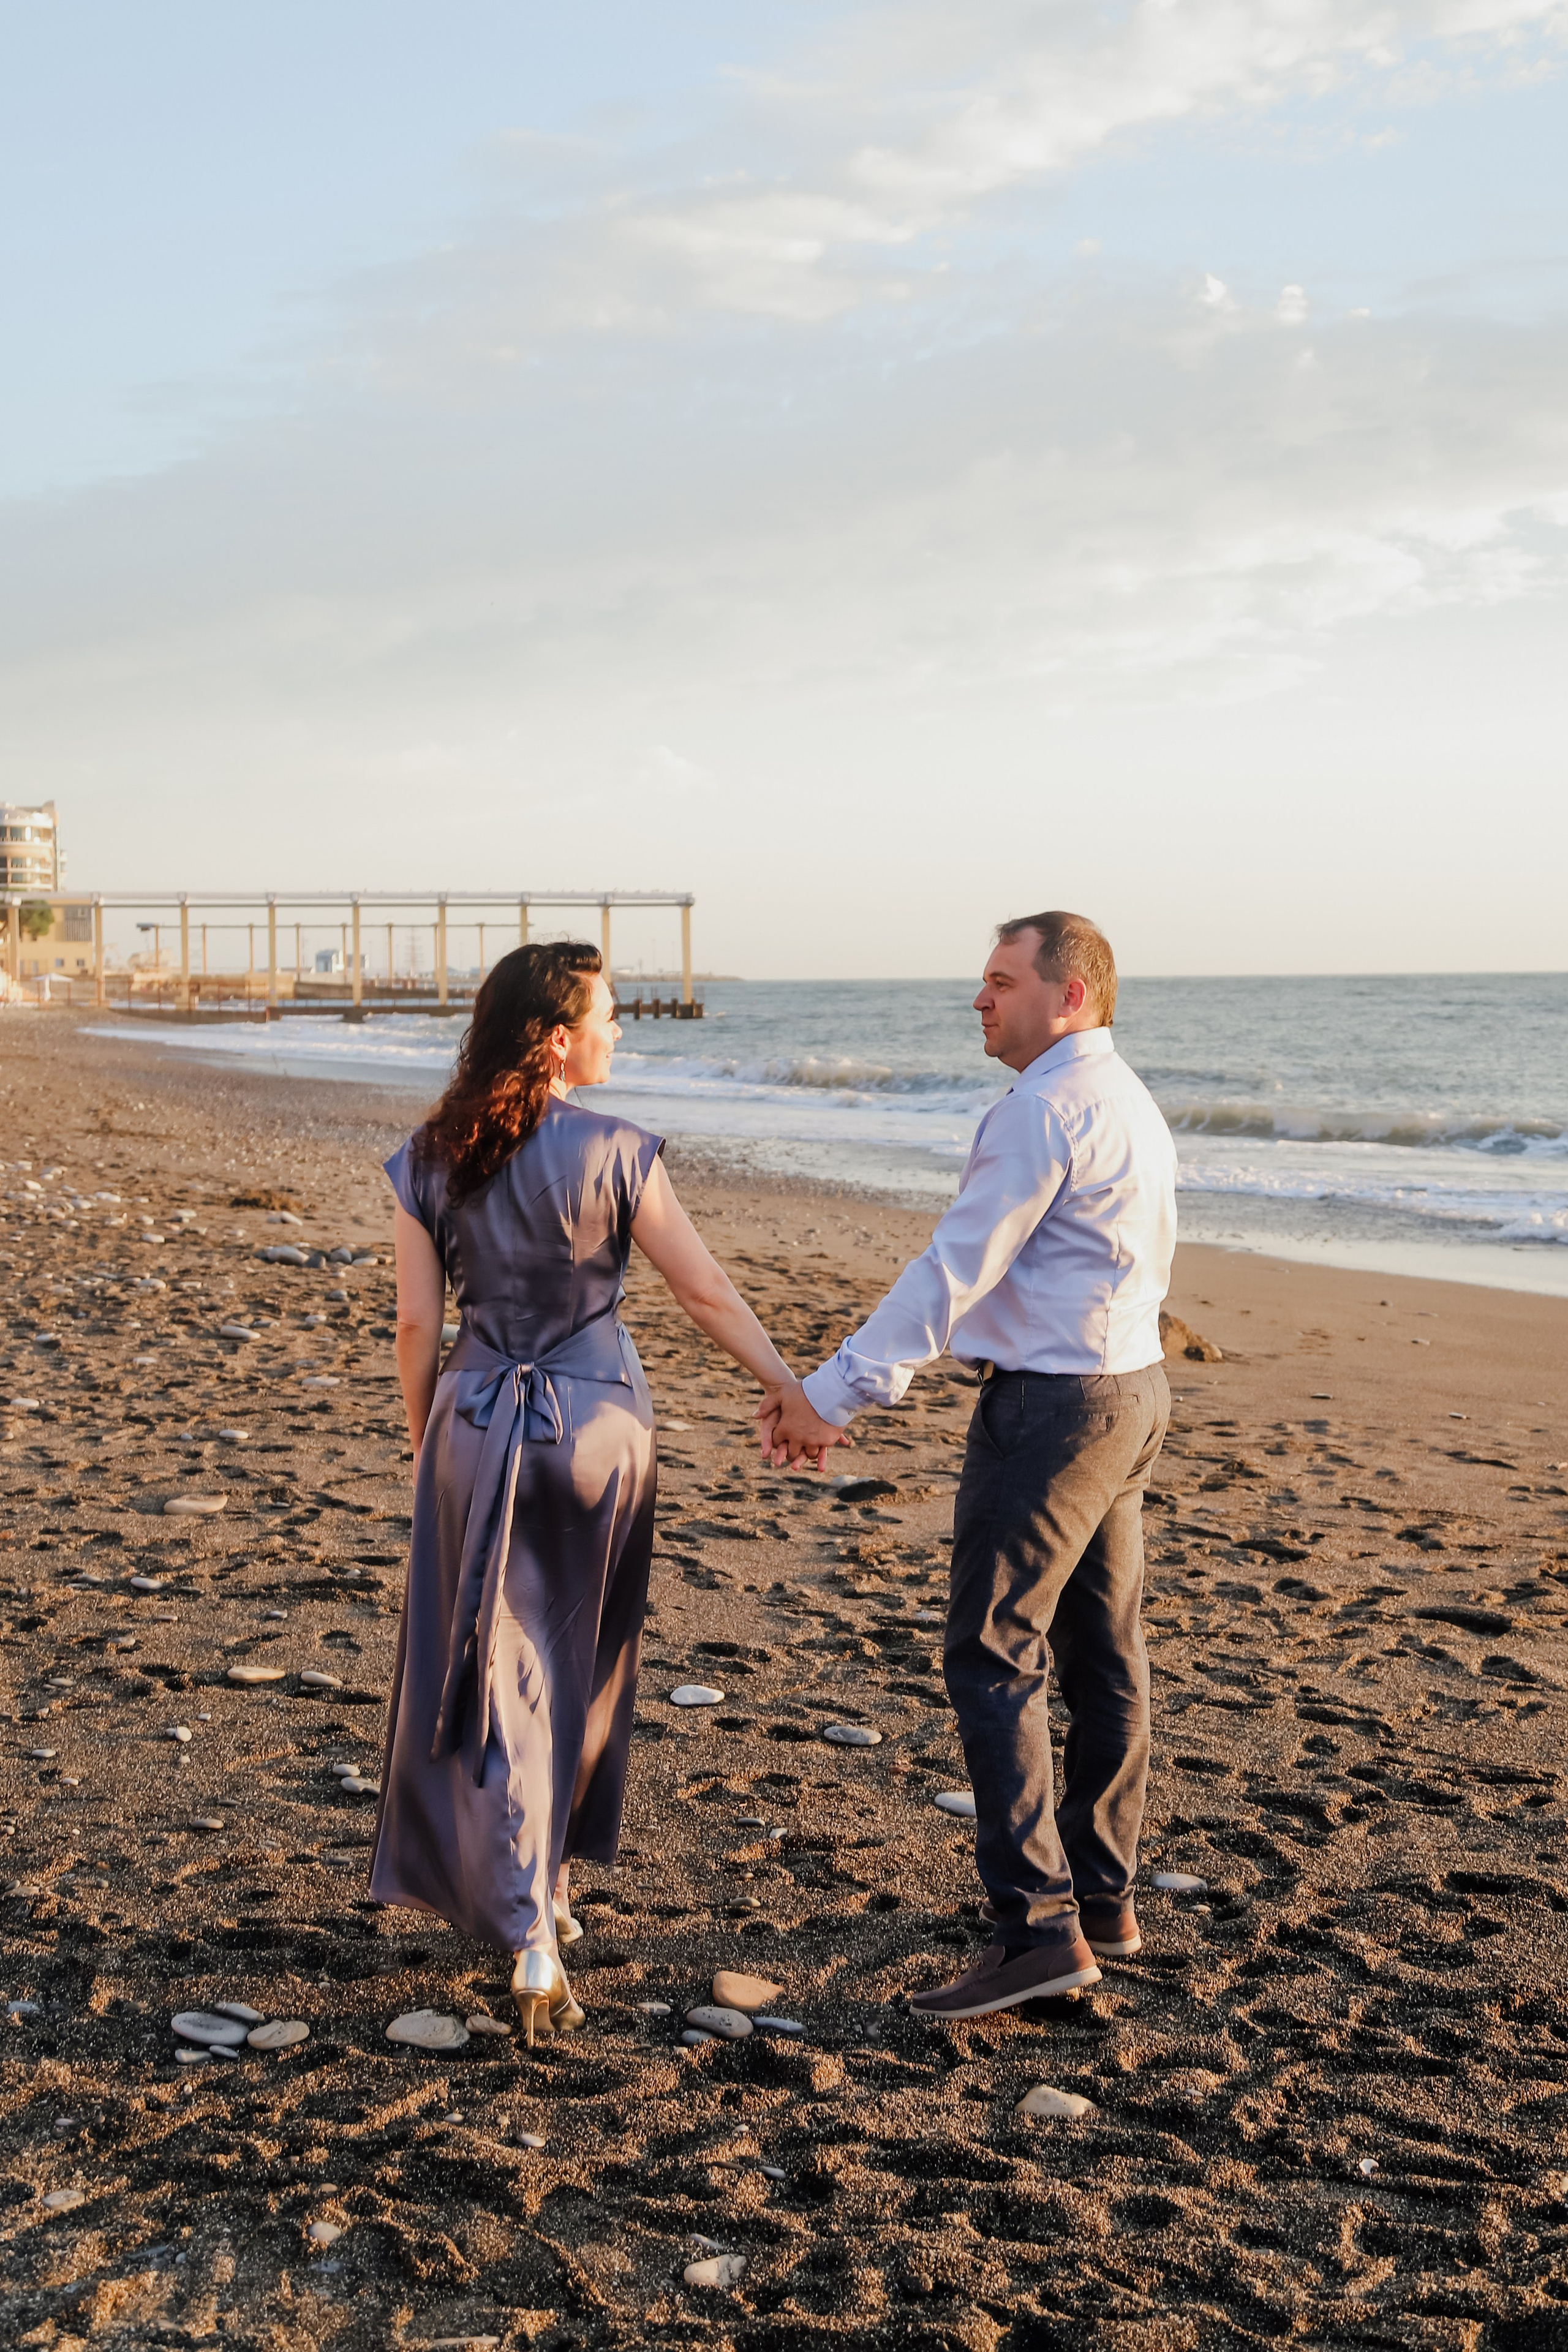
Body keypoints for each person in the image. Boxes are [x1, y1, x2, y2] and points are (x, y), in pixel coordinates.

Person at [371, 941, 809, 2044]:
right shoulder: (616, 1151)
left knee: (490, 1667)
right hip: (600, 1427)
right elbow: (702, 1289)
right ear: (557, 1037)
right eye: (611, 1015)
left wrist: (431, 1437)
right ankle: (547, 1892)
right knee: (583, 1658)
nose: (624, 1031)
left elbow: (417, 1325)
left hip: (477, 1420)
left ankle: (529, 1928)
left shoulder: (432, 1156)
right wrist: (789, 1388)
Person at [758, 911, 1177, 2019]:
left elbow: (953, 1273)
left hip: (1052, 1414)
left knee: (995, 1657)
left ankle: (1039, 1931)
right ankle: (1102, 1899)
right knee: (1104, 1655)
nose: (979, 1000)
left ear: (1070, 994)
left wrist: (830, 1395)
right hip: (1131, 1394)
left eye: (999, 981)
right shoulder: (1129, 1099)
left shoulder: (1044, 1109)